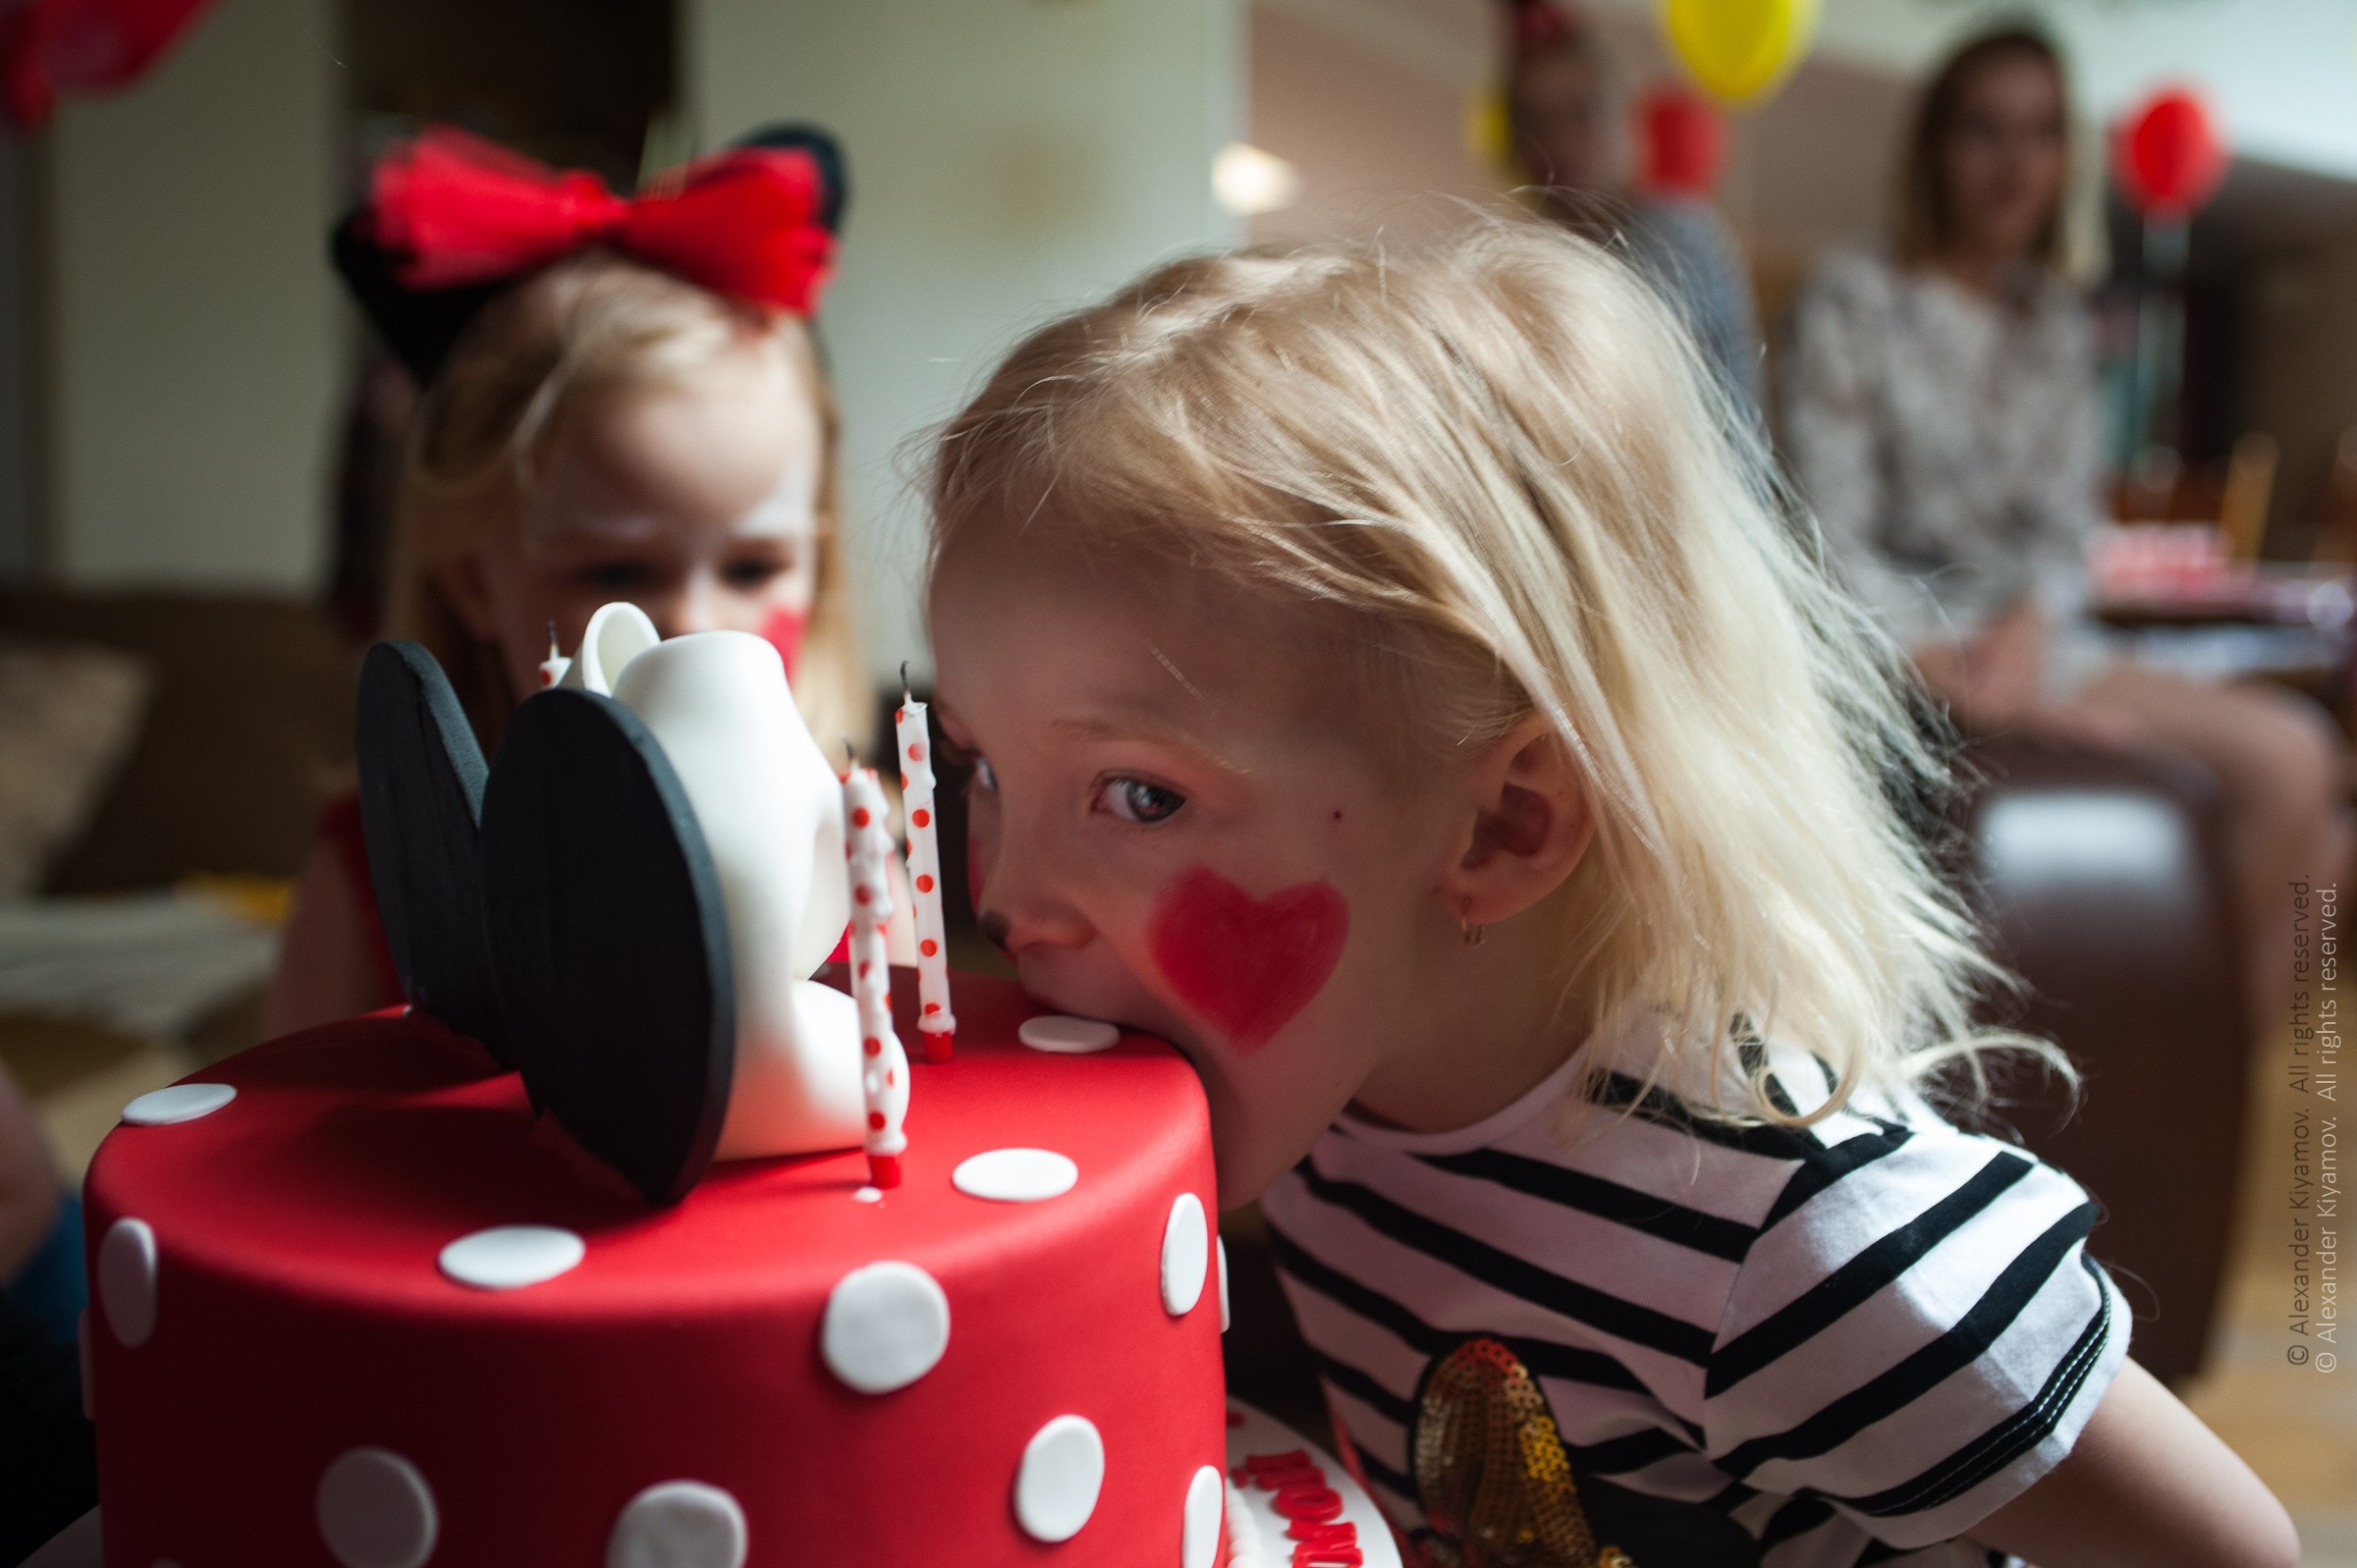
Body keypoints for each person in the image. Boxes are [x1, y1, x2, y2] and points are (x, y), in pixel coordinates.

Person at [922, 223, 2297, 1566]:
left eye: (1139, 796)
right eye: (978, 768)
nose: (1010, 893)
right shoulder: (1333, 1099)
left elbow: (2243, 1549)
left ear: (1504, 826)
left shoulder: (1797, 1245)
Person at [1781, 26, 2349, 1053]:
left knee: (2297, 760)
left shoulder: (2055, 321)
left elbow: (2063, 536)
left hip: (2035, 642)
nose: (2014, 162)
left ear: (2065, 160)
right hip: (1891, 646)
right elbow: (1829, 532)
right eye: (1985, 131)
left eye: (2041, 133)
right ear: (1937, 149)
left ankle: (2199, 1080)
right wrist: (1939, 658)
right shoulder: (1855, 299)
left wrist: (2032, 639)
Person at [264, 126, 875, 1037]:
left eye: (755, 566)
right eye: (618, 570)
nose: (695, 625)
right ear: (472, 577)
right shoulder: (382, 874)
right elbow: (277, 1142)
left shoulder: (854, 839)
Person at [1506, 0, 1761, 409]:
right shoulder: (1524, 256)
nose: (1561, 143)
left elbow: (1615, 381)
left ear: (1624, 115)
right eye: (1538, 124)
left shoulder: (1675, 230)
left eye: (1582, 113)